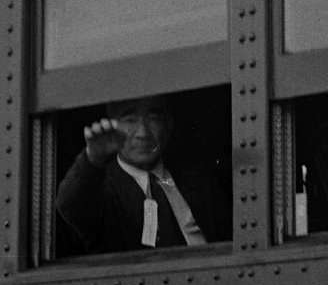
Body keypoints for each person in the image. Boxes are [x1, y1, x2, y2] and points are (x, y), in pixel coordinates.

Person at [56, 95, 231, 254]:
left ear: (168, 125)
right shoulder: (102, 189)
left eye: (153, 118)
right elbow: (69, 204)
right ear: (111, 127)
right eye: (130, 120)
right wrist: (92, 159)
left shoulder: (198, 181)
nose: (143, 133)